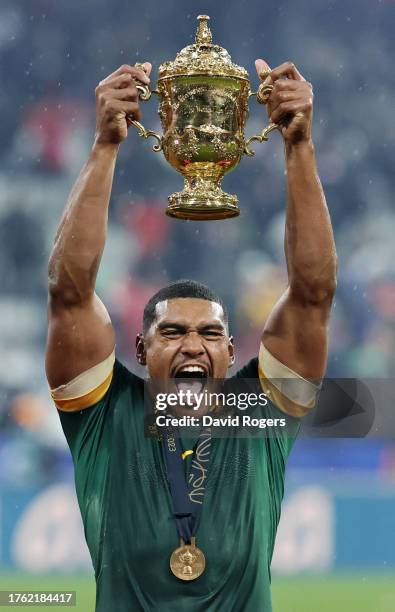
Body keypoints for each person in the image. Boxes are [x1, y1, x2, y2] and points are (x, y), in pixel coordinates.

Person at [45, 59, 337, 611]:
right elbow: (69, 294)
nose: (193, 346)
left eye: (210, 334)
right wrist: (105, 145)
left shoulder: (262, 412)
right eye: (172, 332)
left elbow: (313, 295)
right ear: (140, 349)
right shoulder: (105, 416)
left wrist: (299, 146)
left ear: (231, 351)